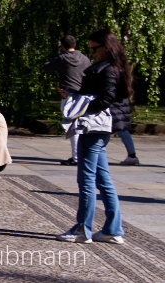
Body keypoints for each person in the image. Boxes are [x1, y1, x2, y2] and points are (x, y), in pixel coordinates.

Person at [56, 29, 126, 244]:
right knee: (103, 180)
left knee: (86, 180)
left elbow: (105, 98)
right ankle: (113, 230)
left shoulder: (107, 69)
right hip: (99, 129)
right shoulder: (110, 68)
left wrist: (80, 107)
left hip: (92, 128)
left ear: (107, 47)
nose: (92, 53)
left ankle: (82, 230)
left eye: (95, 48)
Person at [44, 35, 90, 165]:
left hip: (69, 95)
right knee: (80, 126)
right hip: (83, 96)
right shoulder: (85, 58)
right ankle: (80, 155)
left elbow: (46, 66)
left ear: (62, 46)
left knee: (72, 127)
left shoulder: (62, 58)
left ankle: (76, 157)